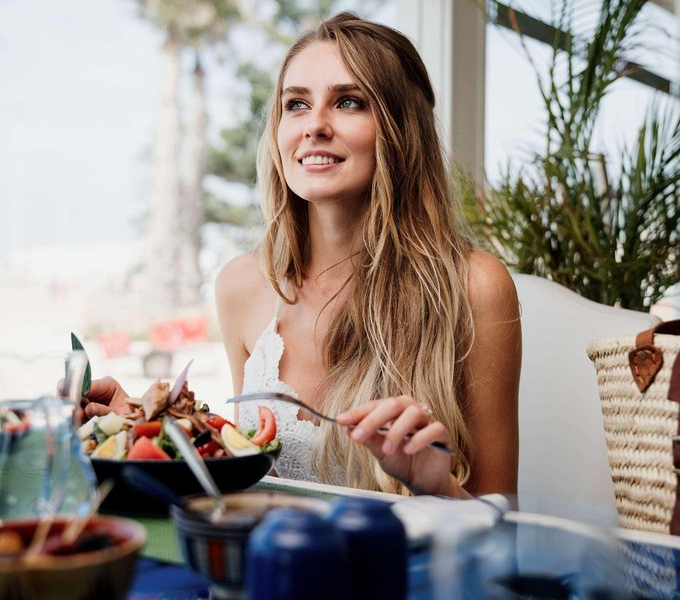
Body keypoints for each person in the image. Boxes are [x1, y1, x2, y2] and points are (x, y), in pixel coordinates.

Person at [87, 12, 520, 499]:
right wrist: (141, 428)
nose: (315, 125)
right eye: (296, 104)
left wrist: (436, 485)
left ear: (401, 127)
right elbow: (250, 476)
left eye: (349, 102)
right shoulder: (241, 285)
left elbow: (503, 526)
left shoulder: (475, 287)